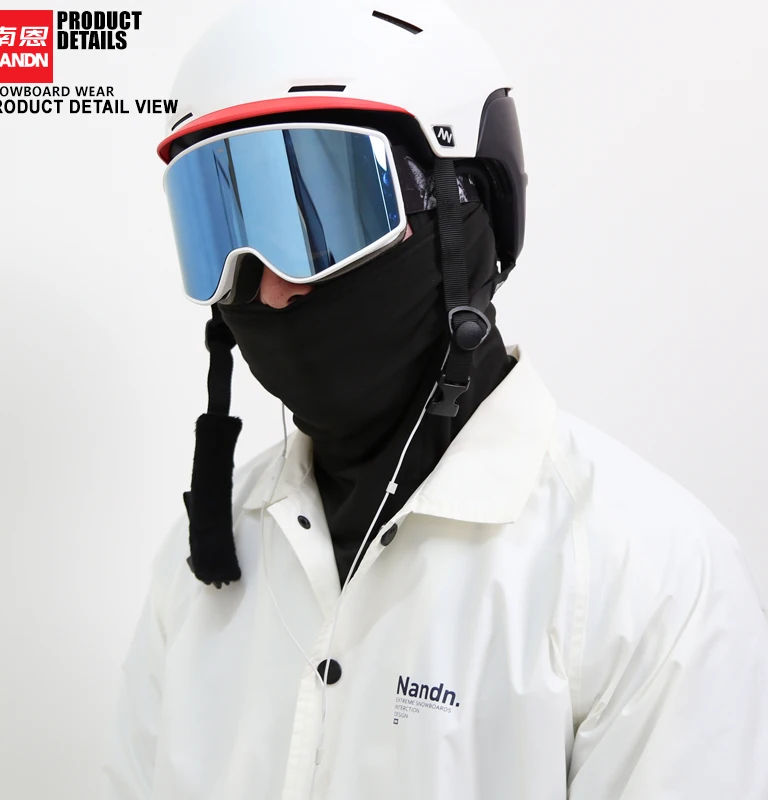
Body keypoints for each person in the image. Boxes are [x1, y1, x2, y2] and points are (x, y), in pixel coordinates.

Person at [102, 0, 768, 798]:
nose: (269, 287)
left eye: (322, 218)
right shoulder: (210, 552)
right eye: (226, 227)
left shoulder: (647, 578)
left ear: (465, 214)